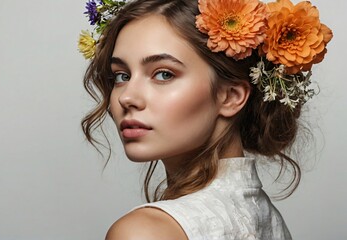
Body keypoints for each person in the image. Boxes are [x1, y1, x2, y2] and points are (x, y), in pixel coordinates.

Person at [78, 0, 333, 239]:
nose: (127, 98)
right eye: (121, 76)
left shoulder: (145, 232)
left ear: (231, 96)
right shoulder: (267, 218)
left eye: (164, 74)